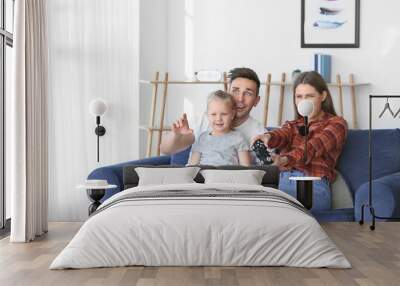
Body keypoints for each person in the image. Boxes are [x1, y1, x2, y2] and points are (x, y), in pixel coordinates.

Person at [252, 71, 348, 211]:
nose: (304, 101)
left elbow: (312, 148)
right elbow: (281, 134)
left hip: (313, 184)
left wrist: (284, 160)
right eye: (299, 97)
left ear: (323, 96)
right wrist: (267, 137)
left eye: (309, 96)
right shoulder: (292, 125)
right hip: (285, 182)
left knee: (287, 213)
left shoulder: (337, 124)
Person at [160, 67, 265, 163]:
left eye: (248, 93)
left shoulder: (259, 133)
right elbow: (165, 149)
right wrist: (176, 135)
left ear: (256, 101)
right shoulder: (205, 119)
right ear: (228, 92)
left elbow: (264, 167)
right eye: (235, 91)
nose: (240, 99)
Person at [188, 90, 251, 166]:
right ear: (207, 115)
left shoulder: (239, 138)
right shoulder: (202, 138)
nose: (218, 118)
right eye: (213, 114)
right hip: (205, 175)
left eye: (224, 114)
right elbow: (192, 166)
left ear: (232, 114)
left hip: (228, 176)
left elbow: (246, 168)